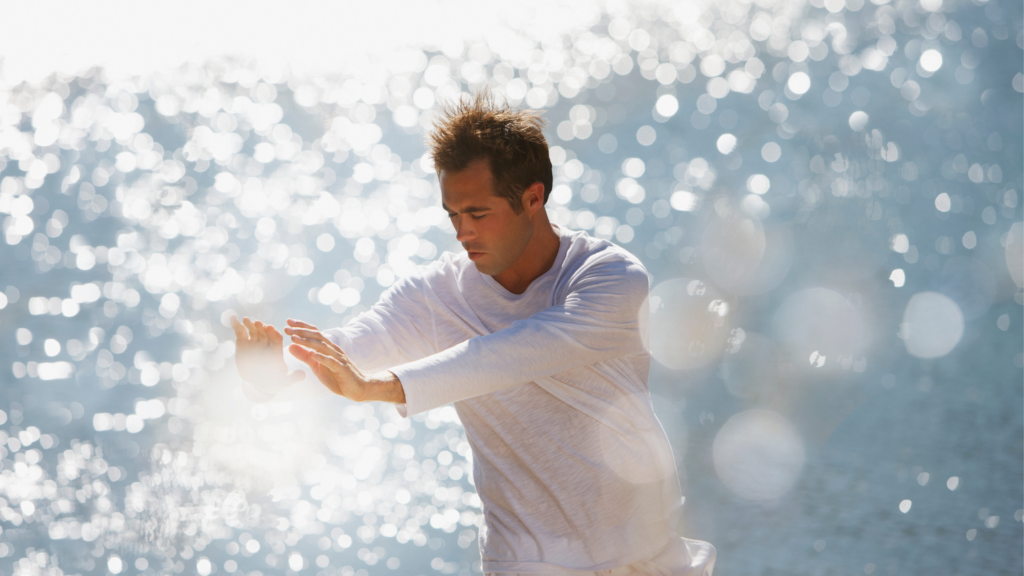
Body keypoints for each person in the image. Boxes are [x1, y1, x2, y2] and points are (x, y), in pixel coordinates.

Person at [230, 92, 716, 576]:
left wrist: (381, 387)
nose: (462, 233)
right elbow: (353, 346)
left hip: (647, 559)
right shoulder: (434, 294)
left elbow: (513, 355)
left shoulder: (609, 278)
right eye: (452, 215)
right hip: (526, 563)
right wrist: (275, 373)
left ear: (532, 198)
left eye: (478, 214)